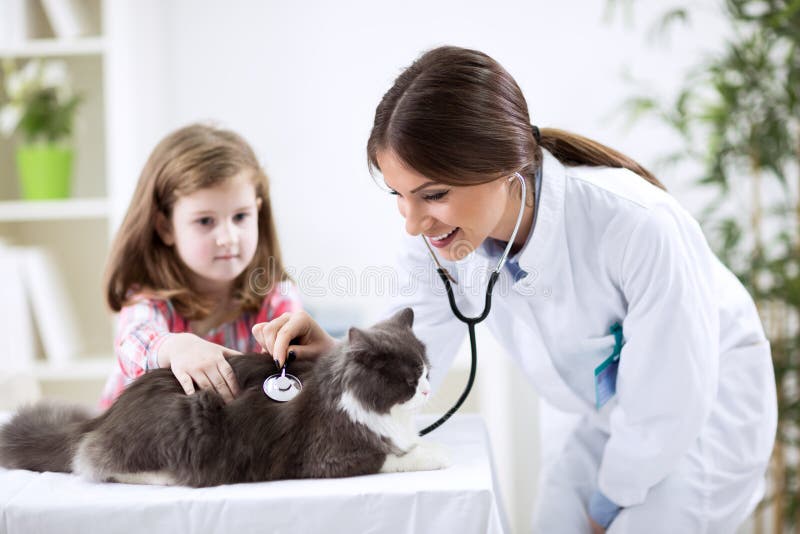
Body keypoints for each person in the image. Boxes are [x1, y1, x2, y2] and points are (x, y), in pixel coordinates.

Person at [251, 46, 777, 533]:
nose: (413, 223)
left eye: (433, 194)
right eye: (399, 195)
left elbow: (669, 399)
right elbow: (415, 347)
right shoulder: (438, 239)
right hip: (604, 409)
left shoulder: (637, 225)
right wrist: (336, 359)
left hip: (705, 412)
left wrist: (606, 507)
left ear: (502, 166)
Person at [99, 123, 301, 409]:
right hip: (133, 445)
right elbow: (132, 343)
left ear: (257, 210)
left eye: (241, 217)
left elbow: (296, 366)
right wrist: (177, 348)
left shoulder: (276, 296)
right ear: (165, 227)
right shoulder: (149, 300)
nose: (228, 238)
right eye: (206, 221)